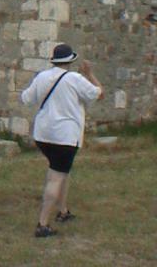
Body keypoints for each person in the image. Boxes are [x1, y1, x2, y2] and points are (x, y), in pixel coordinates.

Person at [21, 43, 103, 238]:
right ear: (71, 61)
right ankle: (42, 224)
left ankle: (63, 211)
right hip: (65, 136)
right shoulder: (75, 79)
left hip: (43, 135)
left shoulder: (41, 77)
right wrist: (89, 74)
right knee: (56, 176)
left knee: (61, 171)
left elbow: (26, 98)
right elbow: (98, 93)